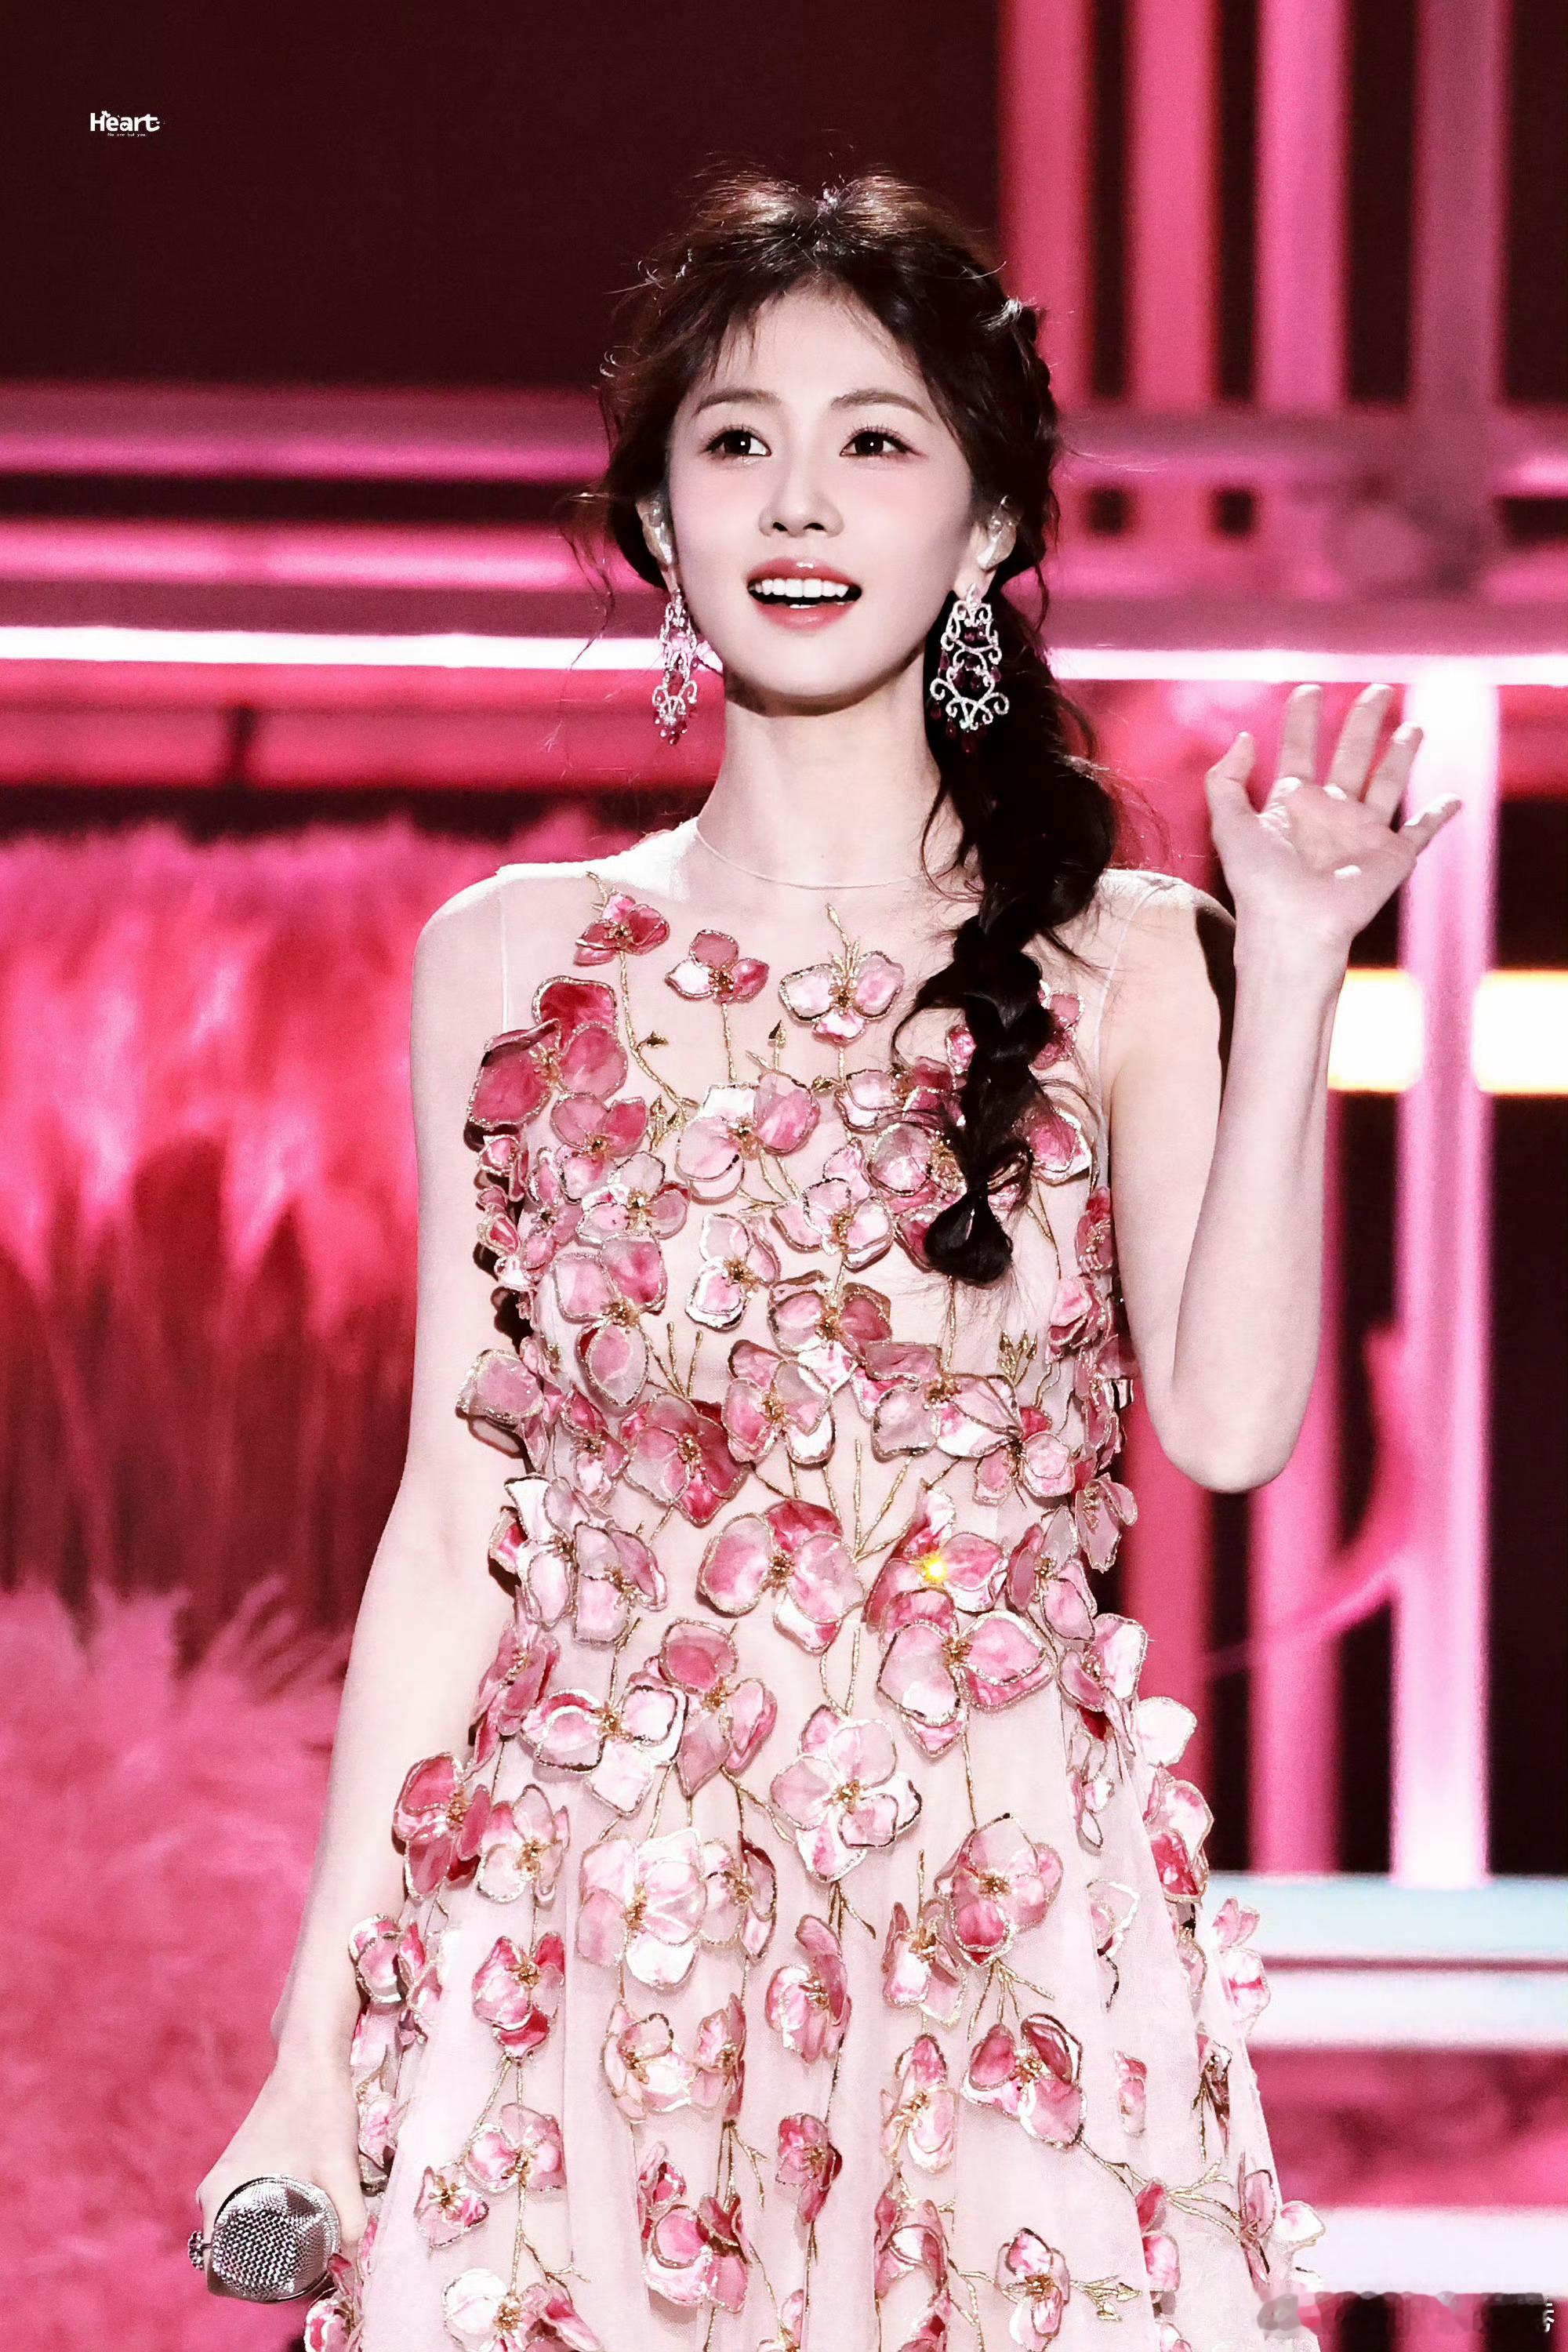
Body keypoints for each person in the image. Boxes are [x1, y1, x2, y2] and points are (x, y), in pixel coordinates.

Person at [194, 167, 1459, 2352]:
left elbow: (1238, 1426)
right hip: (589, 1922)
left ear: (987, 526)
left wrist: (1302, 971)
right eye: (735, 440)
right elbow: (456, 1518)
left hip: (995, 1928)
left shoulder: (1126, 951)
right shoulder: (508, 957)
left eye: (876, 439)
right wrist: (312, 2049)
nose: (798, 499)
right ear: (659, 519)